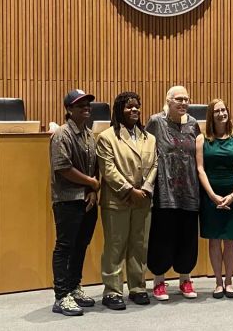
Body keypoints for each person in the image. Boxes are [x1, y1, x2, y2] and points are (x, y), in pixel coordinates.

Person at [96, 92, 158, 310]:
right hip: (117, 201)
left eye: (137, 107)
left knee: (139, 246)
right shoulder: (106, 137)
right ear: (118, 110)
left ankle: (137, 287)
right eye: (129, 107)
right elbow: (108, 169)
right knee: (115, 247)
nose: (134, 110)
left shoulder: (149, 138)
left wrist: (146, 189)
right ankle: (112, 291)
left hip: (143, 201)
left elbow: (155, 166)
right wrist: (130, 190)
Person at [145, 86, 201, 301]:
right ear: (168, 100)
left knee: (187, 236)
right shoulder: (156, 122)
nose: (183, 103)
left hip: (189, 189)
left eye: (186, 99)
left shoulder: (194, 124)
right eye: (179, 99)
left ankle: (185, 279)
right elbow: (146, 149)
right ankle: (159, 280)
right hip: (164, 190)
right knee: (162, 236)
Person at [49, 89, 99, 316]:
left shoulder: (89, 134)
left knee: (81, 246)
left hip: (87, 201)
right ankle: (61, 296)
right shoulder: (62, 134)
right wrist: (91, 182)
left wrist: (92, 190)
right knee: (65, 247)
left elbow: (94, 167)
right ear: (69, 109)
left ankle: (73, 286)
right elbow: (63, 168)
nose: (86, 107)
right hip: (67, 201)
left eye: (88, 104)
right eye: (81, 105)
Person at [196, 99, 233, 299]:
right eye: (217, 111)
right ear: (211, 115)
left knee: (230, 240)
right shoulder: (202, 139)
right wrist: (212, 196)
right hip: (211, 194)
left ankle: (229, 281)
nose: (221, 114)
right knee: (214, 239)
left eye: (224, 110)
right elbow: (200, 169)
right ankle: (218, 282)